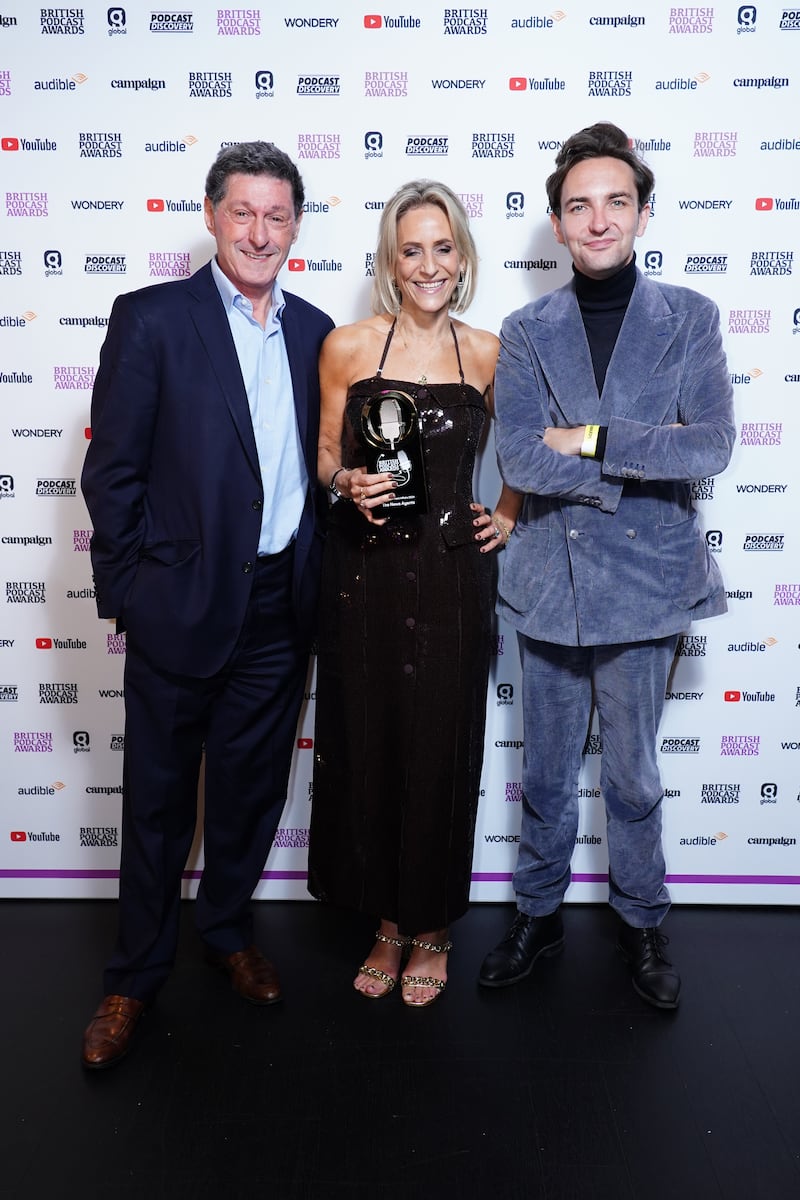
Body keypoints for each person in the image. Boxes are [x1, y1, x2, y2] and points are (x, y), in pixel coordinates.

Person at [79, 141, 334, 1068]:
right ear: (212, 215)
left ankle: (226, 932)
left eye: (277, 215)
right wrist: (131, 600)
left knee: (249, 790)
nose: (259, 231)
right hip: (175, 605)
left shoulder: (316, 334)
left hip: (278, 606)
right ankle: (133, 977)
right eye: (243, 212)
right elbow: (111, 475)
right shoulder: (151, 319)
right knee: (153, 804)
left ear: (295, 225)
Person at [478, 123, 735, 1009]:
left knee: (632, 776)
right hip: (549, 582)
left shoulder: (690, 317)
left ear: (643, 212)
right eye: (579, 205)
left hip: (650, 584)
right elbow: (517, 458)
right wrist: (630, 466)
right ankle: (537, 914)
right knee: (545, 773)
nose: (598, 220)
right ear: (555, 221)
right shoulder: (525, 327)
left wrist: (590, 441)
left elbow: (711, 444)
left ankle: (642, 921)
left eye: (615, 202)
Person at [308, 180, 521, 1007]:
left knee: (441, 747)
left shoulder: (490, 351)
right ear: (390, 261)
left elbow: (535, 455)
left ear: (462, 255)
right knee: (371, 745)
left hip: (451, 580)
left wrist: (506, 513)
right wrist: (344, 482)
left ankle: (431, 928)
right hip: (362, 576)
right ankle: (388, 924)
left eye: (443, 247)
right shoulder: (348, 348)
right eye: (411, 249)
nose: (428, 265)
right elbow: (324, 450)